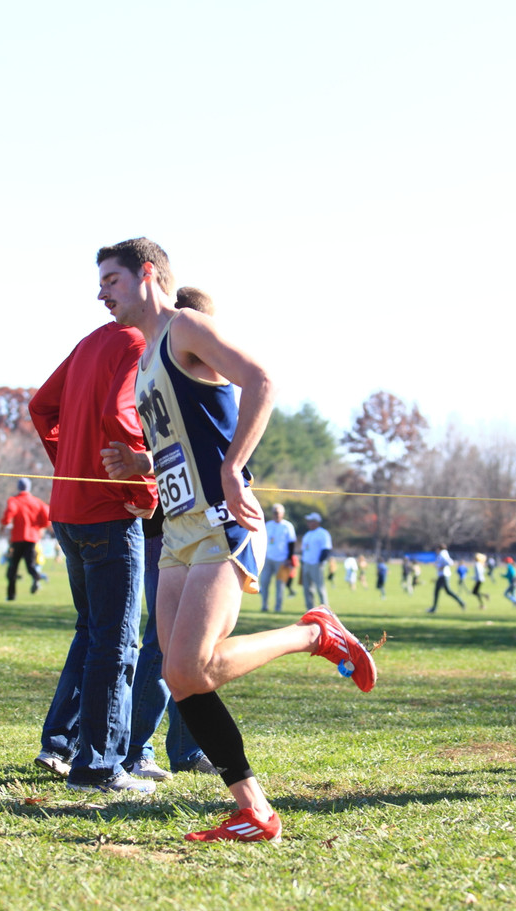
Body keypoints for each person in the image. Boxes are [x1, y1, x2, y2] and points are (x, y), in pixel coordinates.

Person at [97, 236, 378, 843]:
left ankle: (313, 633)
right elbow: (186, 443)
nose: (101, 294)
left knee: (193, 665)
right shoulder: (145, 359)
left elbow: (262, 380)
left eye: (111, 281)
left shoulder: (186, 328)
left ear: (147, 275)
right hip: (177, 530)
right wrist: (140, 463)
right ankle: (253, 809)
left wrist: (234, 467)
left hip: (223, 519)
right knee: (182, 676)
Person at [29, 320, 159, 794]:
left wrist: (70, 464)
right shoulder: (136, 339)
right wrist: (142, 488)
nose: (102, 294)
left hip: (68, 510)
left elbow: (41, 407)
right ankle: (99, 767)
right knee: (117, 641)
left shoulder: (90, 341)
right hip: (107, 513)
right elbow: (119, 413)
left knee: (92, 633)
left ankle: (59, 745)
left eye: (109, 281)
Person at [124, 286, 219, 781]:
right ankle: (135, 749)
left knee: (193, 647)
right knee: (164, 648)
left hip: (201, 526)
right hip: (169, 532)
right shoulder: (158, 361)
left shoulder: (192, 376)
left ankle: (184, 749)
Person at [0, 478, 50, 600]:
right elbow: (47, 517)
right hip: (32, 538)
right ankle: (37, 577)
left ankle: (11, 595)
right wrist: (38, 527)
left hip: (17, 538)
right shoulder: (37, 502)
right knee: (31, 566)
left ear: (18, 487)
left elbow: (8, 517)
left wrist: (5, 523)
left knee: (12, 568)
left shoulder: (14, 501)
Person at [259, 503, 296, 612]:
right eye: (274, 513)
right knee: (264, 582)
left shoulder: (287, 526)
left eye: (278, 513)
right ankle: (264, 605)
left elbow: (292, 543)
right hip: (268, 558)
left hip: (282, 560)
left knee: (280, 585)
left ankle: (278, 607)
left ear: (282, 514)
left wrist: (289, 559)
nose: (276, 515)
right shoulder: (268, 525)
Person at [300, 512, 333, 610]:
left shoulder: (323, 533)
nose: (308, 523)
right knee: (307, 589)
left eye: (311, 521)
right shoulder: (307, 534)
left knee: (320, 588)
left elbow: (326, 549)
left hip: (316, 564)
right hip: (306, 564)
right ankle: (310, 609)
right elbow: (304, 550)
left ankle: (325, 609)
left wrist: (320, 562)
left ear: (316, 522)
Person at [427, 544, 465, 613]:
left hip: (443, 576)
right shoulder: (443, 554)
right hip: (443, 575)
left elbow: (450, 562)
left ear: (439, 549)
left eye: (437, 549)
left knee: (442, 591)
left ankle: (434, 608)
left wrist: (442, 567)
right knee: (445, 591)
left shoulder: (442, 554)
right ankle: (461, 602)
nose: (436, 550)